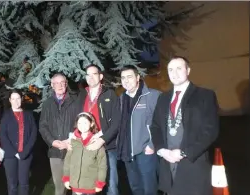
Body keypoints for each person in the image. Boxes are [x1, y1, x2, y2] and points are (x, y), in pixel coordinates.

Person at [150, 56, 220, 195]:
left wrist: (184, 152)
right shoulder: (163, 98)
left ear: (188, 70)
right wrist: (161, 150)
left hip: (193, 163)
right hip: (168, 164)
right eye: (170, 70)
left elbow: (210, 130)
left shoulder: (205, 95)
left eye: (179, 68)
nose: (174, 73)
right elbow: (155, 126)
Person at [77, 64, 121, 195]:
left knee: (111, 184)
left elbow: (117, 122)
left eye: (94, 74)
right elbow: (77, 119)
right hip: (87, 145)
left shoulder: (110, 94)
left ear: (100, 76)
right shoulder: (82, 95)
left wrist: (102, 139)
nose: (90, 77)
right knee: (88, 184)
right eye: (88, 75)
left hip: (106, 145)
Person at [117, 65, 161, 195]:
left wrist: (152, 145)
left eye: (129, 77)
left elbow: (160, 123)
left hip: (146, 151)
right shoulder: (121, 98)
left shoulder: (152, 95)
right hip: (128, 152)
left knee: (149, 189)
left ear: (137, 78)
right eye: (123, 78)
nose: (126, 80)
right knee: (136, 188)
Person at [39, 73, 79, 195]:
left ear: (66, 84)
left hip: (72, 149)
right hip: (55, 152)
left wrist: (69, 141)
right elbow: (43, 126)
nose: (60, 85)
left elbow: (80, 124)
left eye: (62, 82)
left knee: (75, 186)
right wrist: (52, 142)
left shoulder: (75, 101)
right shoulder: (47, 104)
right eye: (57, 83)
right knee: (59, 188)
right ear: (52, 85)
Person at [0, 89, 37, 195]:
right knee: (12, 184)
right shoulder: (5, 116)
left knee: (24, 183)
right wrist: (14, 152)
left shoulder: (29, 115)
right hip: (10, 156)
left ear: (22, 99)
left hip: (25, 155)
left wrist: (25, 152)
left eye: (18, 98)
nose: (16, 101)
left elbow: (33, 134)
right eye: (13, 99)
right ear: (10, 100)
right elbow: (3, 135)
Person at [62, 112, 107, 195]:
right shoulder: (73, 141)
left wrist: (100, 183)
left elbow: (102, 165)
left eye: (85, 122)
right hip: (75, 185)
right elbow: (67, 162)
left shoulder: (97, 142)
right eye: (79, 123)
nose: (82, 125)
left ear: (92, 123)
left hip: (91, 186)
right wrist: (66, 178)